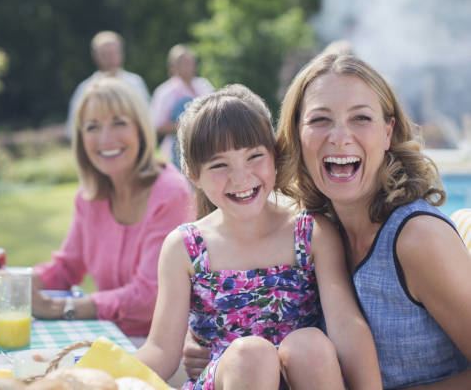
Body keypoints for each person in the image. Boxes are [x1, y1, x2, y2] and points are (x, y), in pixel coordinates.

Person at [184, 52, 471, 388]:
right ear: (296, 135)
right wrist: (199, 341)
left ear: (388, 131)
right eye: (320, 120)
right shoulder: (309, 228)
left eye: (361, 118)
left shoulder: (418, 238)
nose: (339, 136)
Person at [135, 84, 381, 389]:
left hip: (305, 375)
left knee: (310, 344)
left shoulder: (310, 233)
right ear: (191, 172)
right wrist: (104, 376)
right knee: (251, 354)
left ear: (274, 157)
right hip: (231, 379)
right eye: (219, 165)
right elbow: (160, 351)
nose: (241, 177)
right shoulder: (185, 247)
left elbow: (346, 326)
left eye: (254, 156)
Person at [33, 77, 193, 344]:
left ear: (141, 129)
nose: (105, 139)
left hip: (169, 349)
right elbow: (66, 268)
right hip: (111, 337)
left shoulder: (171, 193)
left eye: (119, 123)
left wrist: (64, 308)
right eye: (92, 127)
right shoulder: (88, 198)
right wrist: (15, 283)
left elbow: (148, 297)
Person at [65, 31, 151, 141]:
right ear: (96, 57)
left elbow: (147, 118)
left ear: (121, 53)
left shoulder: (135, 82)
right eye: (105, 54)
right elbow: (73, 129)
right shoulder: (85, 88)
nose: (111, 58)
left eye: (114, 53)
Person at [150, 44, 213, 168]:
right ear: (173, 67)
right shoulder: (165, 92)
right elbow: (157, 125)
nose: (189, 66)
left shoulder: (204, 85)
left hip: (207, 147)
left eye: (191, 62)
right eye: (184, 63)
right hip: (177, 152)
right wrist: (190, 125)